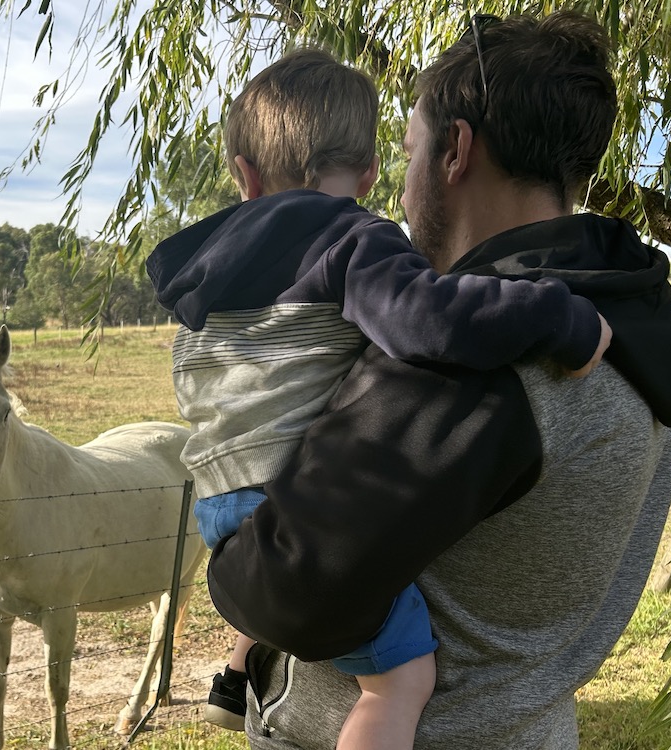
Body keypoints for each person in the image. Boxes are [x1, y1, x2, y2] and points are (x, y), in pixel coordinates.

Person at [204, 10, 671, 750]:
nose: (398, 182)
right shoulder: (646, 334)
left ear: (455, 150)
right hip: (533, 726)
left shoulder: (468, 367)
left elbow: (285, 591)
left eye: (410, 147)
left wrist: (223, 549)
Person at [146, 48, 614, 749]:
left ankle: (240, 662)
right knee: (399, 681)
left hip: (221, 495)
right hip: (283, 489)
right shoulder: (352, 239)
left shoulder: (205, 273)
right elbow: (427, 321)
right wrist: (558, 318)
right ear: (367, 174)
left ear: (244, 177)